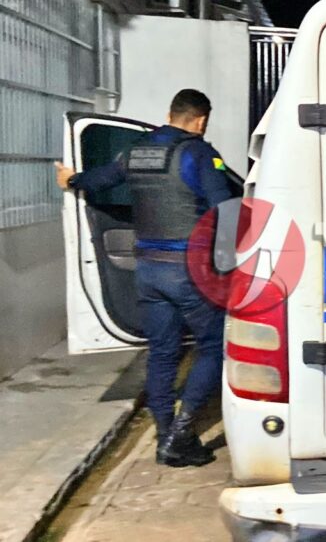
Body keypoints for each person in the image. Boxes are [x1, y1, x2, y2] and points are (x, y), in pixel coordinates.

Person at [56, 89, 234, 468]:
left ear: (169, 115)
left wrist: (72, 180)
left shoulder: (137, 151)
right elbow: (225, 210)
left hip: (149, 270)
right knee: (214, 346)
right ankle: (179, 435)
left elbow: (100, 180)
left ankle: (165, 433)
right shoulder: (200, 154)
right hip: (189, 271)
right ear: (201, 120)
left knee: (163, 351)